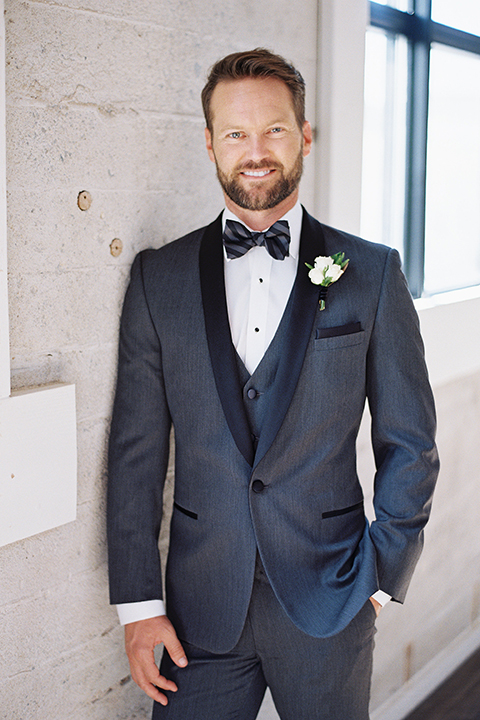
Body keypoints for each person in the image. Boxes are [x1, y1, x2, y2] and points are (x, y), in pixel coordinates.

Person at [107, 48, 439, 720]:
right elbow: (135, 454)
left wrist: (379, 575)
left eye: (274, 130)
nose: (254, 151)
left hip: (333, 601)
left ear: (305, 136)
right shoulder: (156, 279)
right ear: (209, 144)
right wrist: (139, 609)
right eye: (235, 133)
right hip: (198, 614)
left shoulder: (370, 275)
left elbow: (411, 441)